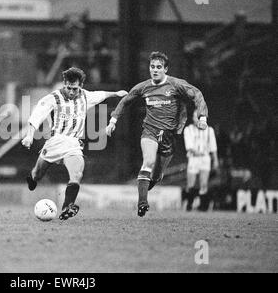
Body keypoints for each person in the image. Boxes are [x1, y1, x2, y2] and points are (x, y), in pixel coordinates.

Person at [106, 51, 209, 217]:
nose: (154, 70)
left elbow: (197, 94)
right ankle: (142, 203)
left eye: (159, 67)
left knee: (157, 176)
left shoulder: (176, 85)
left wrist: (202, 117)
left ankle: (146, 185)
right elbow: (125, 101)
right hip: (150, 131)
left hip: (169, 136)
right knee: (148, 161)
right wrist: (113, 121)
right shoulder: (143, 87)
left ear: (165, 69)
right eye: (152, 66)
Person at [21, 67, 128, 220]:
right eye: (68, 88)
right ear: (64, 84)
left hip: (73, 145)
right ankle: (32, 178)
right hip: (55, 142)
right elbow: (36, 116)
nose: (71, 91)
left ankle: (67, 207)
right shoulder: (53, 98)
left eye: (75, 88)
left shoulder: (86, 96)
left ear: (81, 86)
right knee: (37, 174)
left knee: (76, 174)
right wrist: (30, 136)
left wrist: (116, 94)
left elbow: (101, 95)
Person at [183, 110, 219, 211]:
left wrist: (215, 160)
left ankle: (203, 206)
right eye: (195, 117)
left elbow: (213, 147)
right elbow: (189, 146)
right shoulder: (188, 129)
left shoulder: (209, 130)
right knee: (191, 184)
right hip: (193, 158)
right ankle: (189, 204)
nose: (197, 119)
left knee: (203, 183)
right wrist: (197, 152)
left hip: (205, 158)